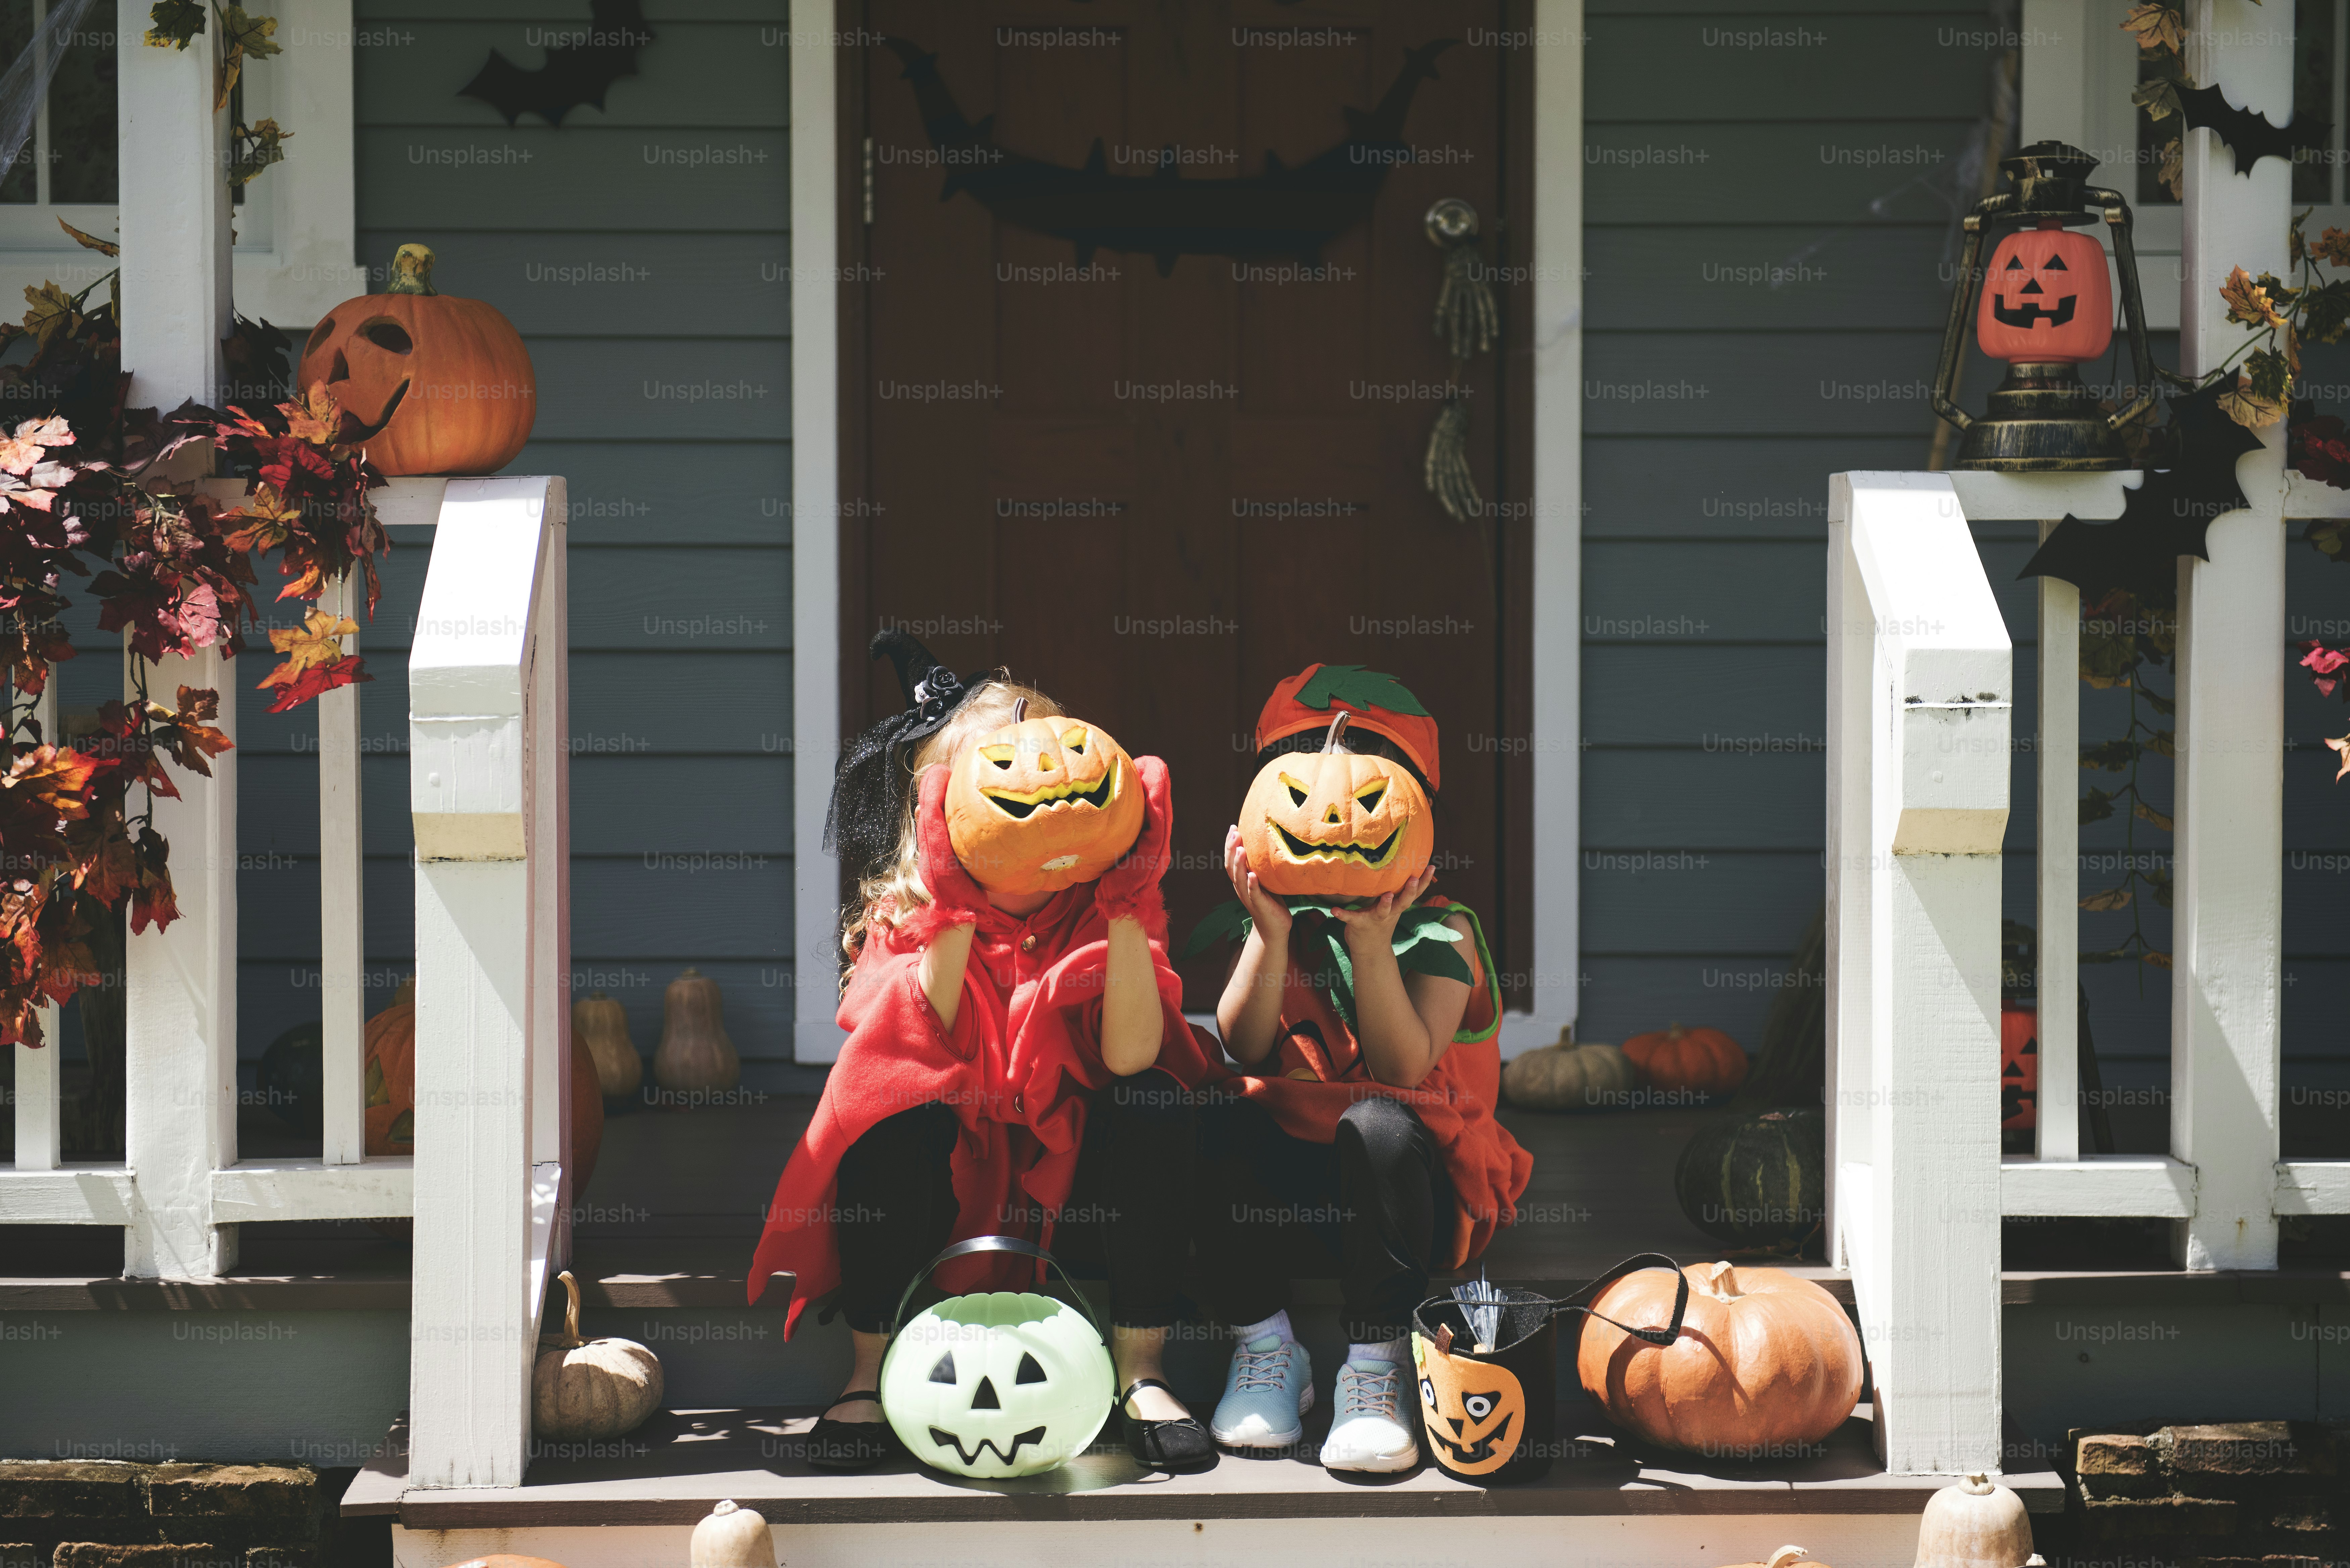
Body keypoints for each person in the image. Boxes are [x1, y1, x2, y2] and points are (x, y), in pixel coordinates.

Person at [746, 631, 1215, 1472]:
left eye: (1053, 763)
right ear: (944, 811)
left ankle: (1141, 1370)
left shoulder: (1102, 907)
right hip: (945, 1199)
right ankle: (865, 1372)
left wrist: (1128, 903)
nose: (1037, 785)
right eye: (1001, 774)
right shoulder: (906, 916)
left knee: (1152, 1101)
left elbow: (1131, 1055)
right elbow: (913, 1047)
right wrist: (954, 906)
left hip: (1073, 1199)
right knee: (889, 1113)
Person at [1193, 665, 1532, 1474]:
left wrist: (1373, 942)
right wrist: (1269, 934)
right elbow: (1243, 1044)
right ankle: (1265, 1347)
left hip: (1406, 1195)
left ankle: (1375, 1365)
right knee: (1218, 1110)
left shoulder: (1444, 934)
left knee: (1377, 1122)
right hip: (1301, 1191)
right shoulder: (1280, 926)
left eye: (1368, 797)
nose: (1331, 816)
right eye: (1299, 793)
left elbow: (1401, 1065)